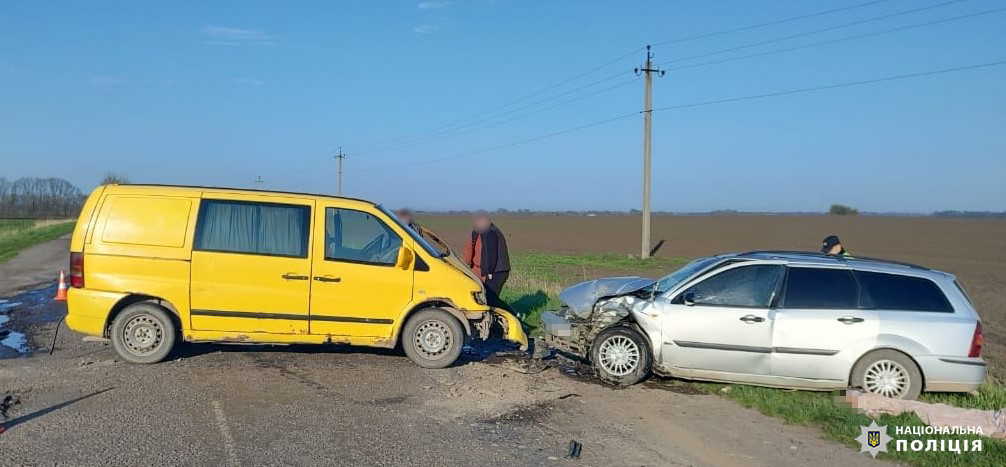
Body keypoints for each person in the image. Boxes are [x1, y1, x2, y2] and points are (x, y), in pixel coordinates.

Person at [464, 210, 510, 308]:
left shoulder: (490, 233)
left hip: (496, 271)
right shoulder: (479, 233)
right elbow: (469, 250)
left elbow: (491, 255)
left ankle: (513, 316)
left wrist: (489, 272)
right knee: (489, 298)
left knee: (491, 299)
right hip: (492, 270)